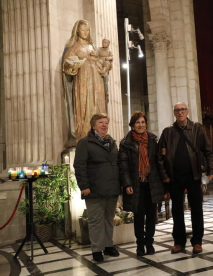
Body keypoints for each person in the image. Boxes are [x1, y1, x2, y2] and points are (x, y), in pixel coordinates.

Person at [158, 102, 213, 254]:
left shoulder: (197, 128)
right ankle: (179, 242)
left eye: (183, 109)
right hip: (174, 177)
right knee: (177, 211)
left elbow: (208, 151)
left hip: (194, 175)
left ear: (187, 111)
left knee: (196, 209)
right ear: (174, 113)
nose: (180, 112)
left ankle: (197, 241)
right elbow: (160, 157)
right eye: (177, 110)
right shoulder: (168, 132)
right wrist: (164, 177)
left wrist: (210, 171)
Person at [73, 113, 121, 262]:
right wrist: (84, 186)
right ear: (93, 125)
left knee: (108, 218)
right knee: (95, 221)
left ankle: (108, 246)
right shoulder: (85, 142)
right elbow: (79, 166)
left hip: (112, 188)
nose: (104, 125)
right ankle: (96, 249)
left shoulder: (112, 142)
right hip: (94, 189)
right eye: (101, 122)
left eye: (106, 122)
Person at [118, 111, 165, 256]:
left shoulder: (152, 139)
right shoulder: (126, 143)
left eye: (143, 122)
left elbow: (158, 162)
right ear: (132, 125)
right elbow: (123, 166)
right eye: (137, 122)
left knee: (151, 216)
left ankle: (149, 243)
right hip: (136, 184)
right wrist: (127, 184)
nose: (140, 125)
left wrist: (165, 180)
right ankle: (140, 245)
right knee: (138, 217)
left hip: (152, 183)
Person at [62, 20, 107, 144]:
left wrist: (104, 67)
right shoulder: (74, 47)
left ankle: (99, 134)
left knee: (97, 106)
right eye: (83, 30)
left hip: (96, 81)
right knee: (84, 107)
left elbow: (100, 62)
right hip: (82, 82)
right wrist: (74, 64)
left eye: (87, 30)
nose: (85, 33)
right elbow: (67, 66)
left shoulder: (92, 47)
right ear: (77, 30)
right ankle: (83, 134)